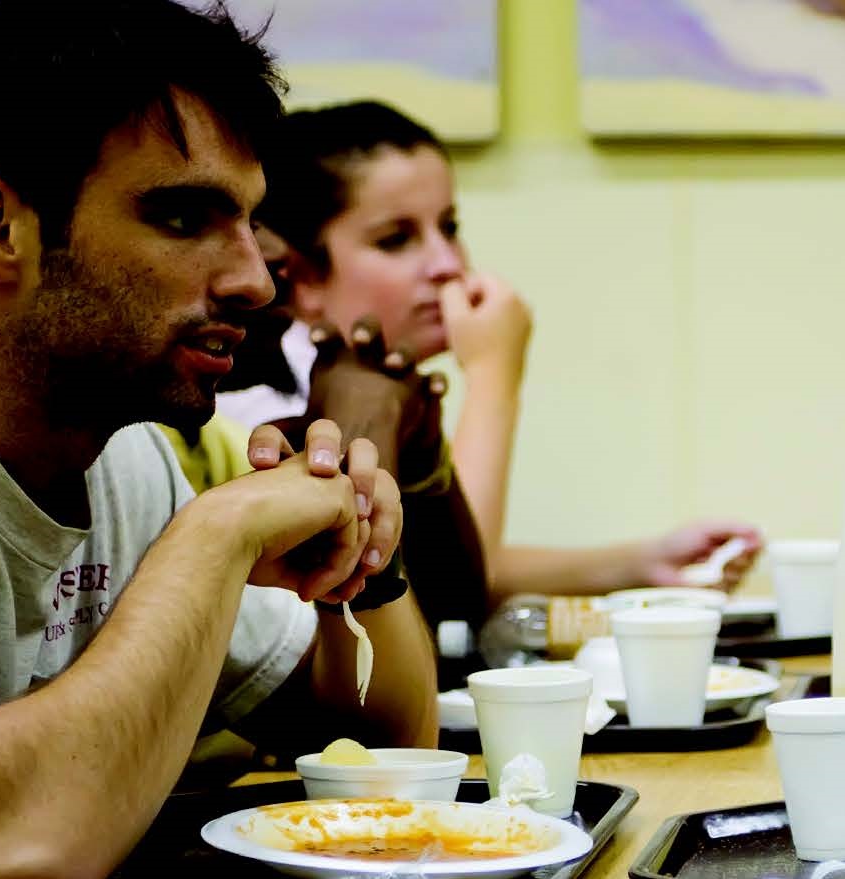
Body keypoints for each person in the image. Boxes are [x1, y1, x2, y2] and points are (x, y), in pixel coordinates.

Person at [0, 1, 437, 876]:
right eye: (184, 218)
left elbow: (390, 743)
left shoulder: (121, 453)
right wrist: (215, 534)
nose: (256, 280)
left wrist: (365, 562)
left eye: (251, 223)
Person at [215, 101, 762, 599]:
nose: (447, 263)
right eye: (396, 239)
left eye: (448, 227)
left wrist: (642, 563)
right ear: (303, 277)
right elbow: (461, 589)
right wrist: (495, 374)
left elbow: (436, 560)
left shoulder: (388, 386)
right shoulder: (261, 411)